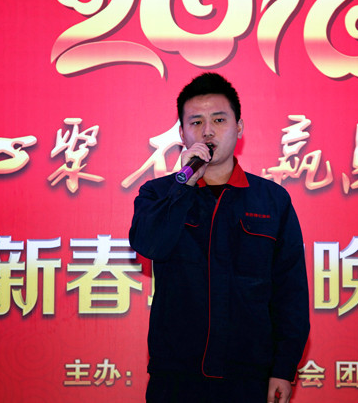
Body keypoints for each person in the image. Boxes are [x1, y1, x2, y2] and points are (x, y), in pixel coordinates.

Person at [130, 72, 310, 403]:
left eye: (219, 119)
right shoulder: (158, 194)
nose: (208, 131)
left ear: (239, 127)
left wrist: (283, 368)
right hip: (176, 377)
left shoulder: (271, 200)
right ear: (182, 133)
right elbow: (148, 244)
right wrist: (183, 186)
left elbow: (290, 291)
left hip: (249, 378)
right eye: (196, 122)